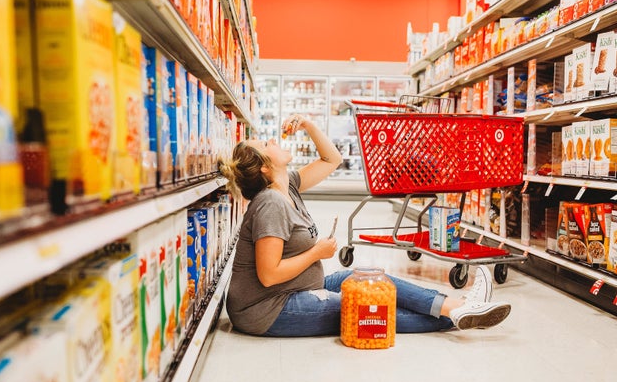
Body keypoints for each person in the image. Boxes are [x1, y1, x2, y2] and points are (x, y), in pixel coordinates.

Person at [218, 113, 511, 337]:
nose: (272, 141)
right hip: (268, 309)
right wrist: (316, 253)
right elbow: (268, 276)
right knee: (367, 306)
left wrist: (309, 125)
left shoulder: (288, 185)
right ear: (266, 168)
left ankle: (457, 307)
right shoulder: (271, 203)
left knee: (371, 278)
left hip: (298, 289)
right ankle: (457, 315)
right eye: (264, 144)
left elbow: (331, 159)